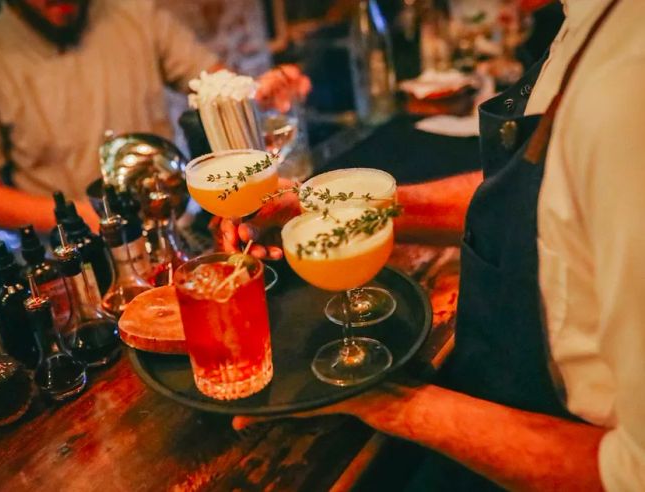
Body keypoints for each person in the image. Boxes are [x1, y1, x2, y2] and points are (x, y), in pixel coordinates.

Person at [221, 0, 645, 489]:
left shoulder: (626, 81)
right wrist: (322, 205)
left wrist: (387, 401)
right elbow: (547, 196)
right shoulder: (590, 21)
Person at [0, 0, 309, 232]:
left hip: (174, 227)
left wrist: (255, 91)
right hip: (79, 254)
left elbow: (213, 81)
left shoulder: (136, 14)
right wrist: (90, 217)